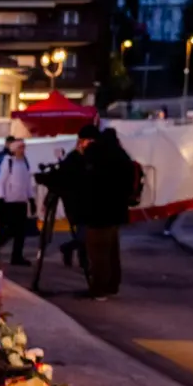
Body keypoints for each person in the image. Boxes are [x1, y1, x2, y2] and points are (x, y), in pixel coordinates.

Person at [81, 127, 132, 300]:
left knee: (97, 253)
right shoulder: (122, 156)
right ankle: (112, 285)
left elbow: (85, 179)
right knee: (112, 252)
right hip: (116, 212)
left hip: (97, 212)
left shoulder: (95, 154)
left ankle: (99, 289)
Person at [0, 137, 35, 266]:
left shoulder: (24, 162)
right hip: (9, 202)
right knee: (9, 230)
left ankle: (17, 256)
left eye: (24, 147)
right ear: (14, 149)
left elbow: (27, 182)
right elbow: (1, 181)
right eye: (21, 147)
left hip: (21, 201)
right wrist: (0, 198)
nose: (23, 150)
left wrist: (31, 198)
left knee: (21, 231)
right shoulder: (8, 161)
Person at [57, 127, 95, 270]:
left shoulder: (89, 157)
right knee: (83, 234)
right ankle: (69, 249)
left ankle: (81, 258)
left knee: (84, 233)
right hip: (76, 202)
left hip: (86, 201)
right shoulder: (73, 158)